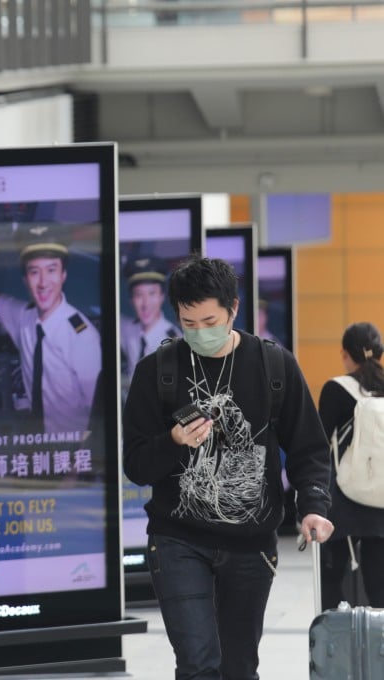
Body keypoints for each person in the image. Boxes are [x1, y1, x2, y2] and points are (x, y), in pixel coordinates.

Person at [122, 254, 333, 680]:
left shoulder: (274, 366)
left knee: (239, 666)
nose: (200, 332)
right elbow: (137, 465)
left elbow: (308, 447)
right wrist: (174, 442)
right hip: (178, 539)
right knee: (199, 664)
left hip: (250, 545)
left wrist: (313, 505)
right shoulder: (156, 373)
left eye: (210, 321)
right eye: (189, 323)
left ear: (234, 309)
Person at [0, 242, 101, 433]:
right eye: (34, 272)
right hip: (37, 443)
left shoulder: (82, 337)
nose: (43, 282)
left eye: (51, 270)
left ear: (63, 275)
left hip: (74, 448)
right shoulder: (25, 316)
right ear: (25, 280)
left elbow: (100, 412)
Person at [317, 321, 384, 610]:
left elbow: (318, 444)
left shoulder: (335, 389)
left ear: (345, 354)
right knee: (379, 587)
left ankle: (337, 647)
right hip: (382, 501)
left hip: (344, 500)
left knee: (332, 582)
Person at [120, 256, 181, 383]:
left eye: (152, 293)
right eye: (139, 295)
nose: (145, 304)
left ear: (162, 297)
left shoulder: (175, 344)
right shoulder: (128, 329)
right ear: (132, 300)